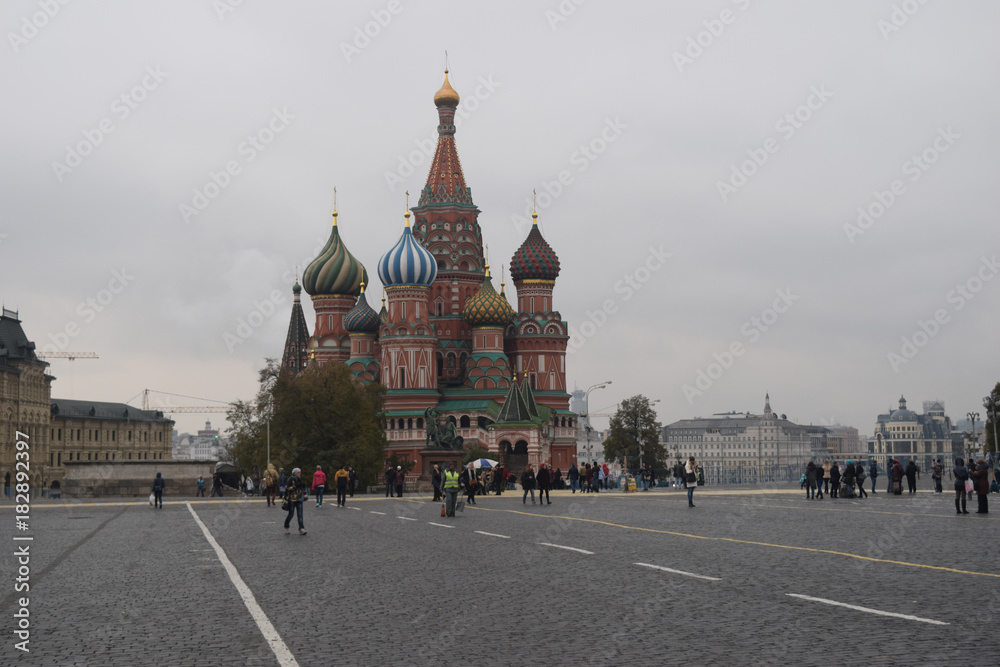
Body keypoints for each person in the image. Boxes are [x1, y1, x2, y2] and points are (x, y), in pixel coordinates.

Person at [283, 468, 307, 534]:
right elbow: (287, 488)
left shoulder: (300, 480)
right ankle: (286, 527)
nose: (300, 474)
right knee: (291, 514)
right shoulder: (290, 479)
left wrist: (304, 495)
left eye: (300, 472)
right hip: (292, 500)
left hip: (299, 499)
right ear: (295, 473)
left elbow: (302, 488)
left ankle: (301, 528)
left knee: (300, 515)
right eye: (298, 473)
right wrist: (294, 487)